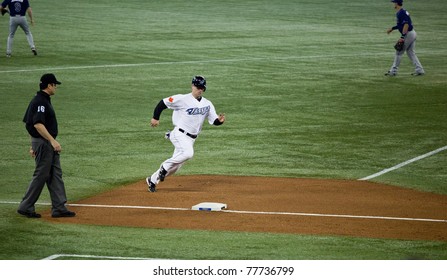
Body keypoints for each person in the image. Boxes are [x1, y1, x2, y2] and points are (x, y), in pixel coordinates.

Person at [146, 75, 226, 192]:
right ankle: (164, 166)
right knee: (188, 153)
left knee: (175, 168)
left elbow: (214, 121)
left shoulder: (207, 104)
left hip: (191, 139)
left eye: (201, 88)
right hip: (179, 134)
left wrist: (219, 121)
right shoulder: (182, 99)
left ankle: (152, 180)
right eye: (197, 87)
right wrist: (155, 118)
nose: (199, 89)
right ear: (192, 86)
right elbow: (162, 103)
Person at [18, 74, 76, 218]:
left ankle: (59, 207)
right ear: (49, 85)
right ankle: (26, 206)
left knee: (55, 174)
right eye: (54, 85)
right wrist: (52, 140)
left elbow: (28, 124)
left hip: (42, 142)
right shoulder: (40, 102)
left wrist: (32, 145)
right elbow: (37, 124)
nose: (55, 87)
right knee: (41, 174)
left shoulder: (41, 100)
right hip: (44, 143)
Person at [385, 0, 424, 76]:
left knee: (399, 52)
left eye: (394, 3)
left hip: (408, 34)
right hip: (412, 33)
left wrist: (402, 37)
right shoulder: (402, 12)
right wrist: (393, 28)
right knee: (410, 52)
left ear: (397, 4)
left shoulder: (401, 13)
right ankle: (419, 70)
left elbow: (406, 25)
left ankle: (393, 71)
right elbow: (401, 25)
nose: (393, 4)